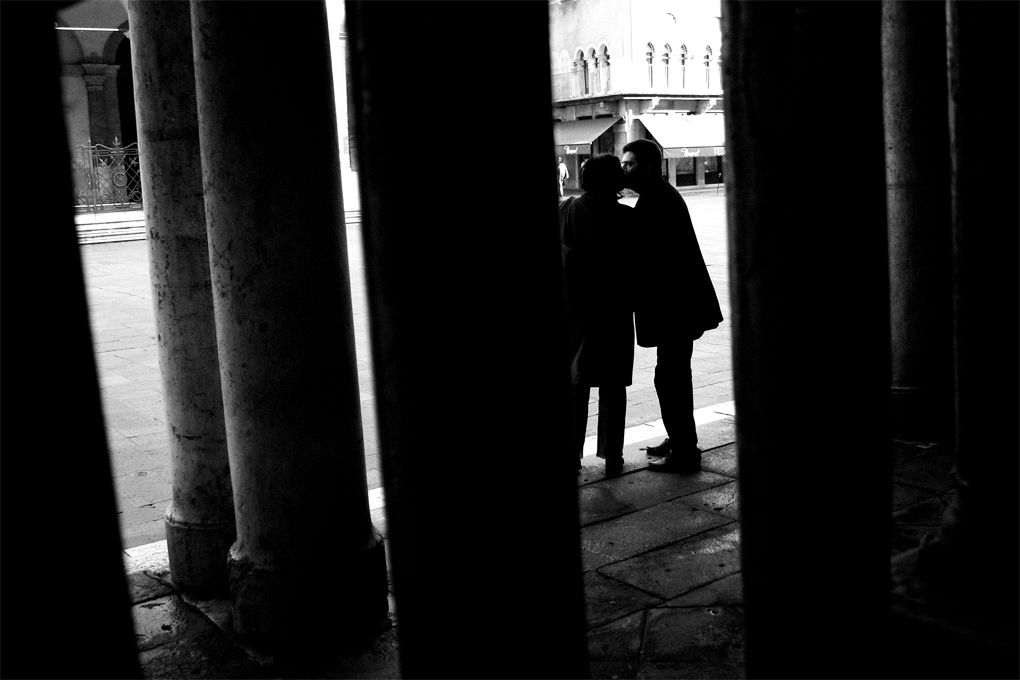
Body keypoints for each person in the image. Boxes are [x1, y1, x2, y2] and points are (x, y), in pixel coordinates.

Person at [621, 138, 723, 472]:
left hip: (675, 308)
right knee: (672, 375)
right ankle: (680, 438)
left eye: (629, 164)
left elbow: (647, 256)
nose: (624, 170)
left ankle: (684, 449)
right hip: (678, 306)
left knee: (671, 378)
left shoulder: (657, 200)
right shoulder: (659, 195)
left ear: (649, 166)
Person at [559, 153, 635, 476]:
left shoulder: (567, 210)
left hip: (576, 309)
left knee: (576, 383)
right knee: (613, 384)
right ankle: (612, 455)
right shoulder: (627, 217)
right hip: (615, 308)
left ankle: (572, 453)